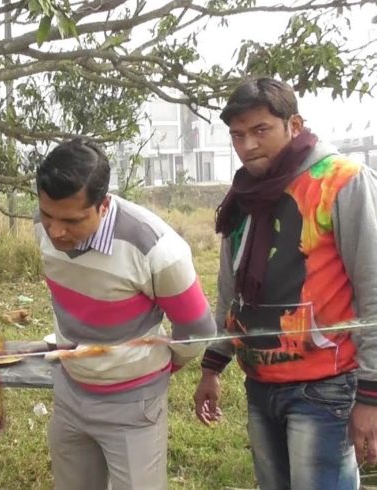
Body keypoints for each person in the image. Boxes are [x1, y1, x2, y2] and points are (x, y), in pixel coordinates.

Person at [193, 77, 377, 490]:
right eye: (237, 135)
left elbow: (374, 289)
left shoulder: (342, 181)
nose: (248, 146)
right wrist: (213, 364)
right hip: (260, 383)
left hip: (325, 386)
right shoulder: (243, 195)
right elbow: (230, 289)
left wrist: (371, 395)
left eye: (261, 130)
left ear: (294, 125)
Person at [36, 138, 216, 490]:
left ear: (103, 205)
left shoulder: (156, 249)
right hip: (70, 391)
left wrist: (159, 367)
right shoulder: (42, 225)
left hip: (133, 406)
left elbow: (197, 328)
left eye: (71, 221)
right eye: (47, 216)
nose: (56, 231)